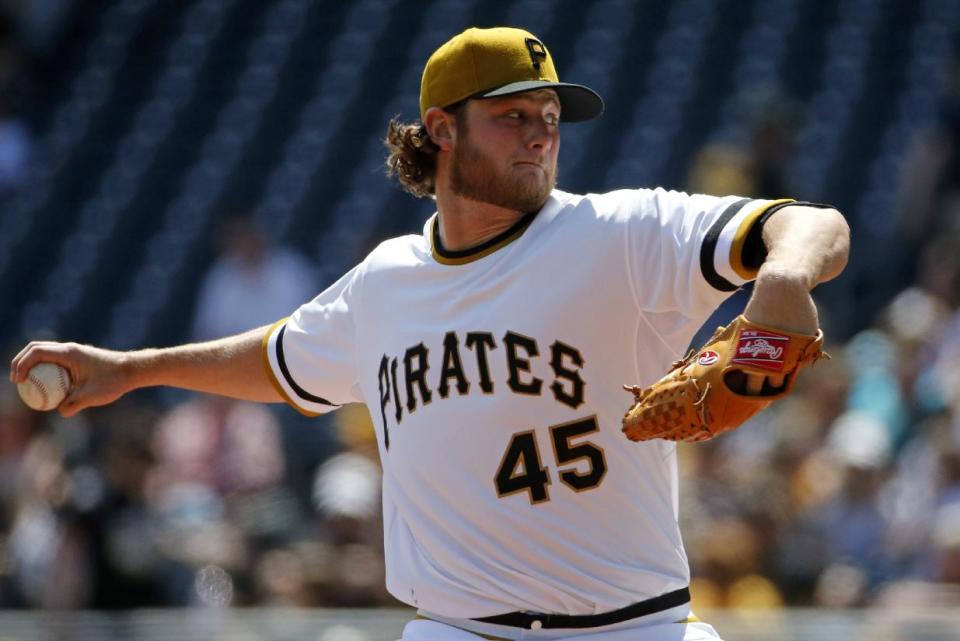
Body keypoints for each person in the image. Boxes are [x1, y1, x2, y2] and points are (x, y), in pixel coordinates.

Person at [10, 26, 849, 641]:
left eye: (550, 114)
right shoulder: (387, 282)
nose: (540, 133)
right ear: (442, 128)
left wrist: (779, 277)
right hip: (460, 629)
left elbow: (815, 225)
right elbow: (277, 359)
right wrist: (130, 368)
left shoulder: (622, 233)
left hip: (633, 628)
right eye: (512, 115)